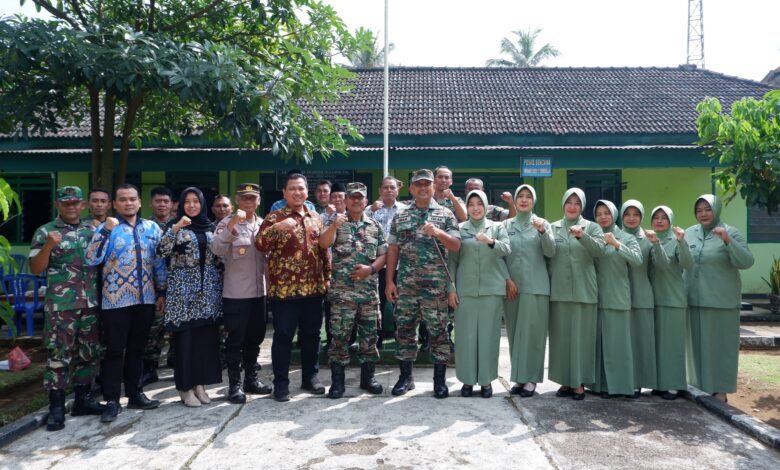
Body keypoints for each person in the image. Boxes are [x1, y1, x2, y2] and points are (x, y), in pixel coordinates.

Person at [86, 184, 166, 423]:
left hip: (146, 298)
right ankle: (112, 400)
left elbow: (159, 261)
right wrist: (104, 231)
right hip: (115, 300)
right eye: (123, 199)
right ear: (115, 204)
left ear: (139, 203)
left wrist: (162, 291)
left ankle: (135, 393)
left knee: (137, 348)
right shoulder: (107, 228)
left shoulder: (151, 228)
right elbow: (91, 258)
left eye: (132, 199)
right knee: (114, 350)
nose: (128, 203)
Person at [29, 186, 105, 431]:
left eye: (75, 203)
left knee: (88, 353)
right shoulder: (46, 232)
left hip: (90, 303)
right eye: (66, 203)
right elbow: (36, 269)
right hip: (61, 306)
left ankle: (83, 400)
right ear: (57, 205)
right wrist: (49, 246)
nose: (71, 207)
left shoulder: (91, 230)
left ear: (82, 205)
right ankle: (57, 407)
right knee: (59, 355)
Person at [386, 169, 461, 398]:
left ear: (433, 187)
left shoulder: (445, 214)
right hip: (407, 285)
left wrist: (438, 232)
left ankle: (439, 381)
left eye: (426, 184)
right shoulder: (401, 216)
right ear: (411, 188)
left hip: (435, 286)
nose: (422, 188)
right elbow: (393, 249)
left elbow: (456, 246)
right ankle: (405, 378)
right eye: (418, 184)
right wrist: (389, 281)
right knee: (405, 330)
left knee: (439, 332)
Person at [256, 173, 331, 402]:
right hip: (284, 291)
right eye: (292, 189)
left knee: (312, 336)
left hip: (312, 288)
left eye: (301, 188)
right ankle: (281, 383)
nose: (297, 192)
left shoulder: (315, 217)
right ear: (285, 193)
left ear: (306, 191)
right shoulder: (274, 217)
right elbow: (260, 244)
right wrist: (277, 228)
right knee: (283, 337)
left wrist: (327, 277)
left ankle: (310, 377)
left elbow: (324, 250)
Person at [319, 182, 387, 398]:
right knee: (339, 338)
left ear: (366, 201)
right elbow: (323, 244)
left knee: (369, 337)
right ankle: (337, 383)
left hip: (368, 294)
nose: (356, 200)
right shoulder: (336, 222)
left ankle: (368, 379)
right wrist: (333, 226)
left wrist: (371, 269)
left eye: (360, 197)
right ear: (346, 200)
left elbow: (384, 255)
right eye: (352, 197)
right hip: (342, 295)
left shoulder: (375, 226)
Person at [684, 194, 754, 402]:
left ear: (716, 210)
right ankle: (698, 386)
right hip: (693, 300)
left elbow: (746, 261)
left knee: (721, 348)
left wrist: (727, 241)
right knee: (696, 347)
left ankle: (720, 389)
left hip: (721, 302)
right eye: (699, 210)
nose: (703, 214)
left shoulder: (731, 232)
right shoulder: (689, 233)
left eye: (708, 209)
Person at [158, 187, 224, 407]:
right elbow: (161, 252)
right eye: (187, 202)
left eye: (196, 201)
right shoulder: (173, 226)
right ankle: (185, 388)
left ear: (202, 204)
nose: (192, 205)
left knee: (203, 341)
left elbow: (218, 258)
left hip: (207, 292)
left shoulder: (209, 226)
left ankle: (200, 385)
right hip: (183, 293)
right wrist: (176, 227)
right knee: (185, 342)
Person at [210, 183, 272, 403]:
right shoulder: (226, 223)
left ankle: (251, 380)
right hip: (236, 295)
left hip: (259, 293)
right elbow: (217, 249)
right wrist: (232, 224)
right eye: (244, 197)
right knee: (235, 341)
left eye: (252, 198)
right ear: (237, 200)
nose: (248, 201)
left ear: (258, 201)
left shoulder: (263, 225)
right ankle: (234, 385)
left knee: (255, 339)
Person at [447, 190, 510, 398]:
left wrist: (490, 241)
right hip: (465, 291)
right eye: (471, 204)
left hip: (492, 290)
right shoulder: (459, 229)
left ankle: (486, 381)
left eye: (479, 204)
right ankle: (467, 380)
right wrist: (451, 288)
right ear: (466, 207)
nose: (475, 208)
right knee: (465, 337)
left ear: (485, 206)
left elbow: (506, 249)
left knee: (488, 337)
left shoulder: (497, 227)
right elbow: (452, 262)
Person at [548, 188, 605, 401]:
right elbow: (547, 254)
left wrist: (583, 236)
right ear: (563, 204)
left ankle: (579, 381)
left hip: (584, 290)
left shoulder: (592, 227)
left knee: (582, 338)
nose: (572, 206)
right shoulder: (552, 227)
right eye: (569, 202)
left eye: (577, 203)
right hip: (559, 290)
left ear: (582, 206)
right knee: (561, 337)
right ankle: (565, 380)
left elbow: (600, 251)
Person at [502, 184, 555, 398]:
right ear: (515, 200)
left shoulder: (542, 223)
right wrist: (507, 280)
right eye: (520, 196)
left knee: (533, 335)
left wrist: (542, 232)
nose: (524, 200)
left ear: (534, 201)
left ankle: (531, 379)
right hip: (512, 287)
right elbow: (499, 256)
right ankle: (520, 377)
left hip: (536, 286)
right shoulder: (505, 225)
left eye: (528, 197)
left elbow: (551, 252)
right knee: (515, 333)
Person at [590, 200, 642, 398]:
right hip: (595, 298)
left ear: (614, 214)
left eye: (607, 213)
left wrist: (616, 244)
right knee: (600, 345)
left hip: (617, 297)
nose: (603, 217)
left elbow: (637, 260)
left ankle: (619, 386)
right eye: (599, 214)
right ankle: (600, 386)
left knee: (617, 345)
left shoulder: (626, 237)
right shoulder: (593, 236)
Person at [646, 206, 692, 400]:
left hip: (672, 299)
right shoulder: (649, 240)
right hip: (652, 300)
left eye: (664, 217)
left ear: (670, 220)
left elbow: (687, 263)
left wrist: (681, 242)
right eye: (655, 217)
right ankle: (660, 384)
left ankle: (674, 384)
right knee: (658, 346)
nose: (659, 221)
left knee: (672, 346)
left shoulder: (676, 240)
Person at [365, 176, 408, 349]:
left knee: (401, 304)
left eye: (392, 187)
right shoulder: (371, 209)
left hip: (401, 265)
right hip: (377, 265)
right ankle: (378, 339)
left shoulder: (405, 210)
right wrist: (370, 210)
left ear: (398, 190)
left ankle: (402, 339)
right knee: (377, 303)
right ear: (380, 190)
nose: (389, 190)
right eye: (385, 187)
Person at [620, 200, 657, 396]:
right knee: (622, 341)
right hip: (618, 295)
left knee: (640, 341)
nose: (631, 218)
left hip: (641, 294)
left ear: (642, 216)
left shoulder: (649, 239)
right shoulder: (614, 236)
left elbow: (656, 268)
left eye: (636, 214)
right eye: (627, 214)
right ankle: (621, 380)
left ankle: (638, 381)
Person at [142, 186, 175, 385]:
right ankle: (150, 368)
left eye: (166, 201)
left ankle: (175, 362)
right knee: (153, 329)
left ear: (172, 204)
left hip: (178, 286)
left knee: (177, 329)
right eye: (158, 201)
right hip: (152, 288)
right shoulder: (144, 227)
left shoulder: (178, 225)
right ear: (150, 203)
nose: (162, 205)